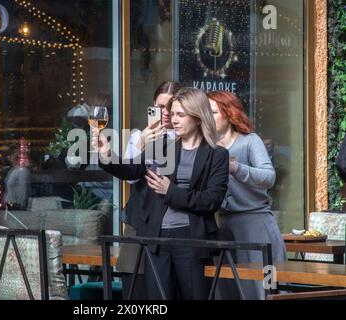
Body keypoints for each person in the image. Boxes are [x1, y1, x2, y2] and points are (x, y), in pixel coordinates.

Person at [94, 88, 229, 299]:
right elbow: (132, 169)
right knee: (158, 299)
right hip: (156, 239)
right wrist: (107, 155)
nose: (174, 120)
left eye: (180, 115)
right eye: (172, 114)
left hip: (192, 240)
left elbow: (212, 200)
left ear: (197, 117)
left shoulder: (217, 154)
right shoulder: (163, 146)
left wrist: (170, 192)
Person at [207, 90, 287, 300]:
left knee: (266, 288)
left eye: (213, 112)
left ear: (229, 113)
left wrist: (237, 169)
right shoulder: (207, 148)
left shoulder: (250, 141)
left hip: (258, 228)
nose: (208, 117)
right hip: (225, 229)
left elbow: (269, 177)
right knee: (228, 290)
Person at [120, 81, 182, 300]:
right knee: (134, 282)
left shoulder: (187, 138)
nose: (165, 114)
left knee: (166, 288)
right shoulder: (140, 136)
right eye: (159, 107)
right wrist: (141, 145)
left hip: (172, 223)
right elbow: (130, 177)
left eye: (170, 107)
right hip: (139, 218)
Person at [4, 143, 31, 210]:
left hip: (16, 206)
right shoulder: (12, 170)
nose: (9, 157)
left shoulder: (22, 171)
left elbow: (23, 189)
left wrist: (21, 206)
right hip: (10, 205)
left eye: (12, 155)